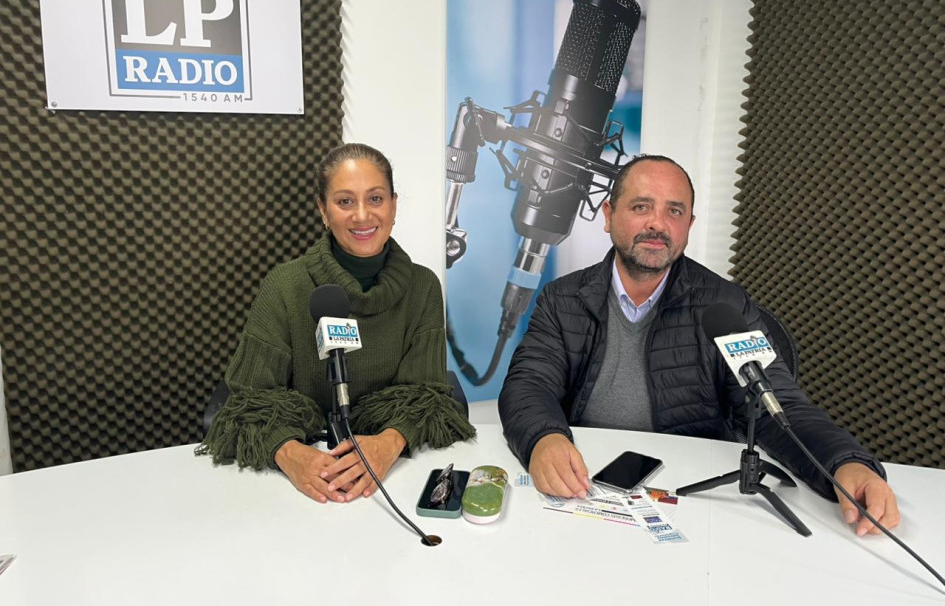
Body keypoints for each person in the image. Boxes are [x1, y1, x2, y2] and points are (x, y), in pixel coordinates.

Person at [498, 154, 899, 537]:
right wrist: (543, 438)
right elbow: (529, 383)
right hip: (585, 480)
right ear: (608, 216)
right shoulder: (562, 297)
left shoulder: (725, 303)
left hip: (688, 492)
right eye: (641, 207)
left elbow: (779, 404)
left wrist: (846, 463)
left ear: (689, 224)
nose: (657, 223)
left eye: (674, 211)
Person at [198, 143, 474, 503]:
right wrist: (289, 453)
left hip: (392, 476)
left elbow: (425, 396)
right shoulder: (285, 285)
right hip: (305, 477)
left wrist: (389, 443)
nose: (362, 216)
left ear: (393, 205)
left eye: (375, 199)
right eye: (345, 202)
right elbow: (248, 400)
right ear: (323, 211)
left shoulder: (423, 287)